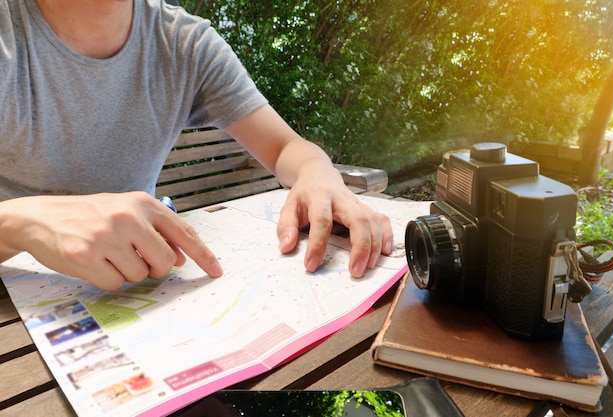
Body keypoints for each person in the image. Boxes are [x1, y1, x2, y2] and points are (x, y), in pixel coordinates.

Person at [0, 0, 393, 291]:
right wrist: (21, 223)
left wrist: (317, 174)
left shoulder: (186, 44)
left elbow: (286, 147)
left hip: (135, 295)